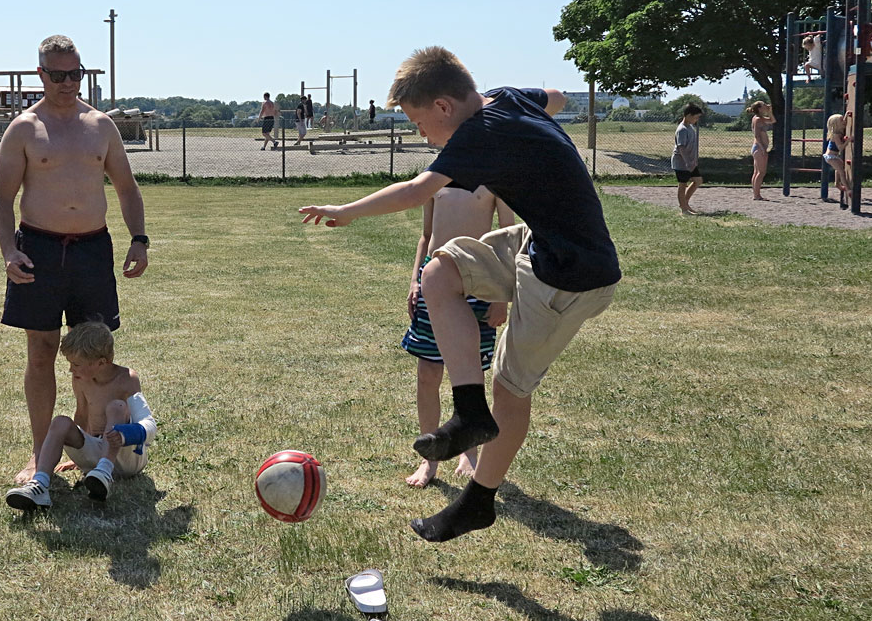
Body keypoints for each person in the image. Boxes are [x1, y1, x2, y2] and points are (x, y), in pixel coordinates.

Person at [300, 46, 620, 543]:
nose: (422, 136)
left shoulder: (479, 133)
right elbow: (555, 97)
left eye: (420, 123)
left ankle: (478, 502)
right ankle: (469, 412)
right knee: (437, 273)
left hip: (569, 276)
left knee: (511, 393)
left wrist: (346, 210)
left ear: (445, 107)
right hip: (539, 245)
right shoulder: (507, 99)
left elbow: (415, 190)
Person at [0, 34, 150, 484]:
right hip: (39, 250)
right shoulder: (24, 128)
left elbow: (126, 188)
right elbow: (2, 199)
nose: (67, 82)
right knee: (41, 352)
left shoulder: (101, 125)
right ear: (40, 74)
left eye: (75, 73)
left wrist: (139, 238)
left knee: (94, 354)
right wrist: (10, 251)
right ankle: (40, 451)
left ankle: (91, 445)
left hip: (92, 251)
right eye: (58, 74)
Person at [404, 186, 513, 488]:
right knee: (427, 373)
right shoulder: (436, 175)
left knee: (469, 373)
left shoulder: (494, 178)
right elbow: (426, 235)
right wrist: (415, 280)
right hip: (435, 280)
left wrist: (501, 296)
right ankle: (430, 458)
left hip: (479, 283)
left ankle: (470, 452)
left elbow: (508, 237)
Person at [6, 322, 156, 509]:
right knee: (60, 422)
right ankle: (39, 485)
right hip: (96, 454)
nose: (71, 370)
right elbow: (83, 414)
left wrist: (126, 434)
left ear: (102, 362)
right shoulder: (82, 379)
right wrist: (80, 451)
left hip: (126, 457)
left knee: (116, 407)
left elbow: (148, 423)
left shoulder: (127, 379)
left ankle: (104, 471)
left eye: (76, 364)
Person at [672, 104, 704, 214]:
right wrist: (688, 162)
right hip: (681, 162)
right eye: (696, 117)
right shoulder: (682, 129)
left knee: (698, 180)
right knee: (682, 184)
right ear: (689, 115)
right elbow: (681, 148)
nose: (697, 119)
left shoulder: (690, 127)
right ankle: (684, 210)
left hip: (690, 162)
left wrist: (693, 161)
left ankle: (685, 203)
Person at [748, 100, 774, 201]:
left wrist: (769, 111)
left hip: (759, 148)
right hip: (759, 148)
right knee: (761, 172)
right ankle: (756, 195)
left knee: (757, 172)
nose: (766, 106)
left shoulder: (761, 118)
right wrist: (763, 149)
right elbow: (757, 135)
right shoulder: (758, 119)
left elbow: (772, 120)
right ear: (759, 108)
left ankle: (756, 194)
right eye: (763, 106)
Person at [824, 113, 849, 209]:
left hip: (833, 156)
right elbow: (841, 148)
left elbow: (845, 122)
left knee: (839, 168)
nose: (844, 122)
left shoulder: (839, 133)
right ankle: (847, 189)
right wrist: (848, 140)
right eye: (841, 120)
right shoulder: (836, 135)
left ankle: (837, 184)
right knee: (841, 171)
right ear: (836, 125)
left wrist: (846, 115)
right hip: (831, 156)